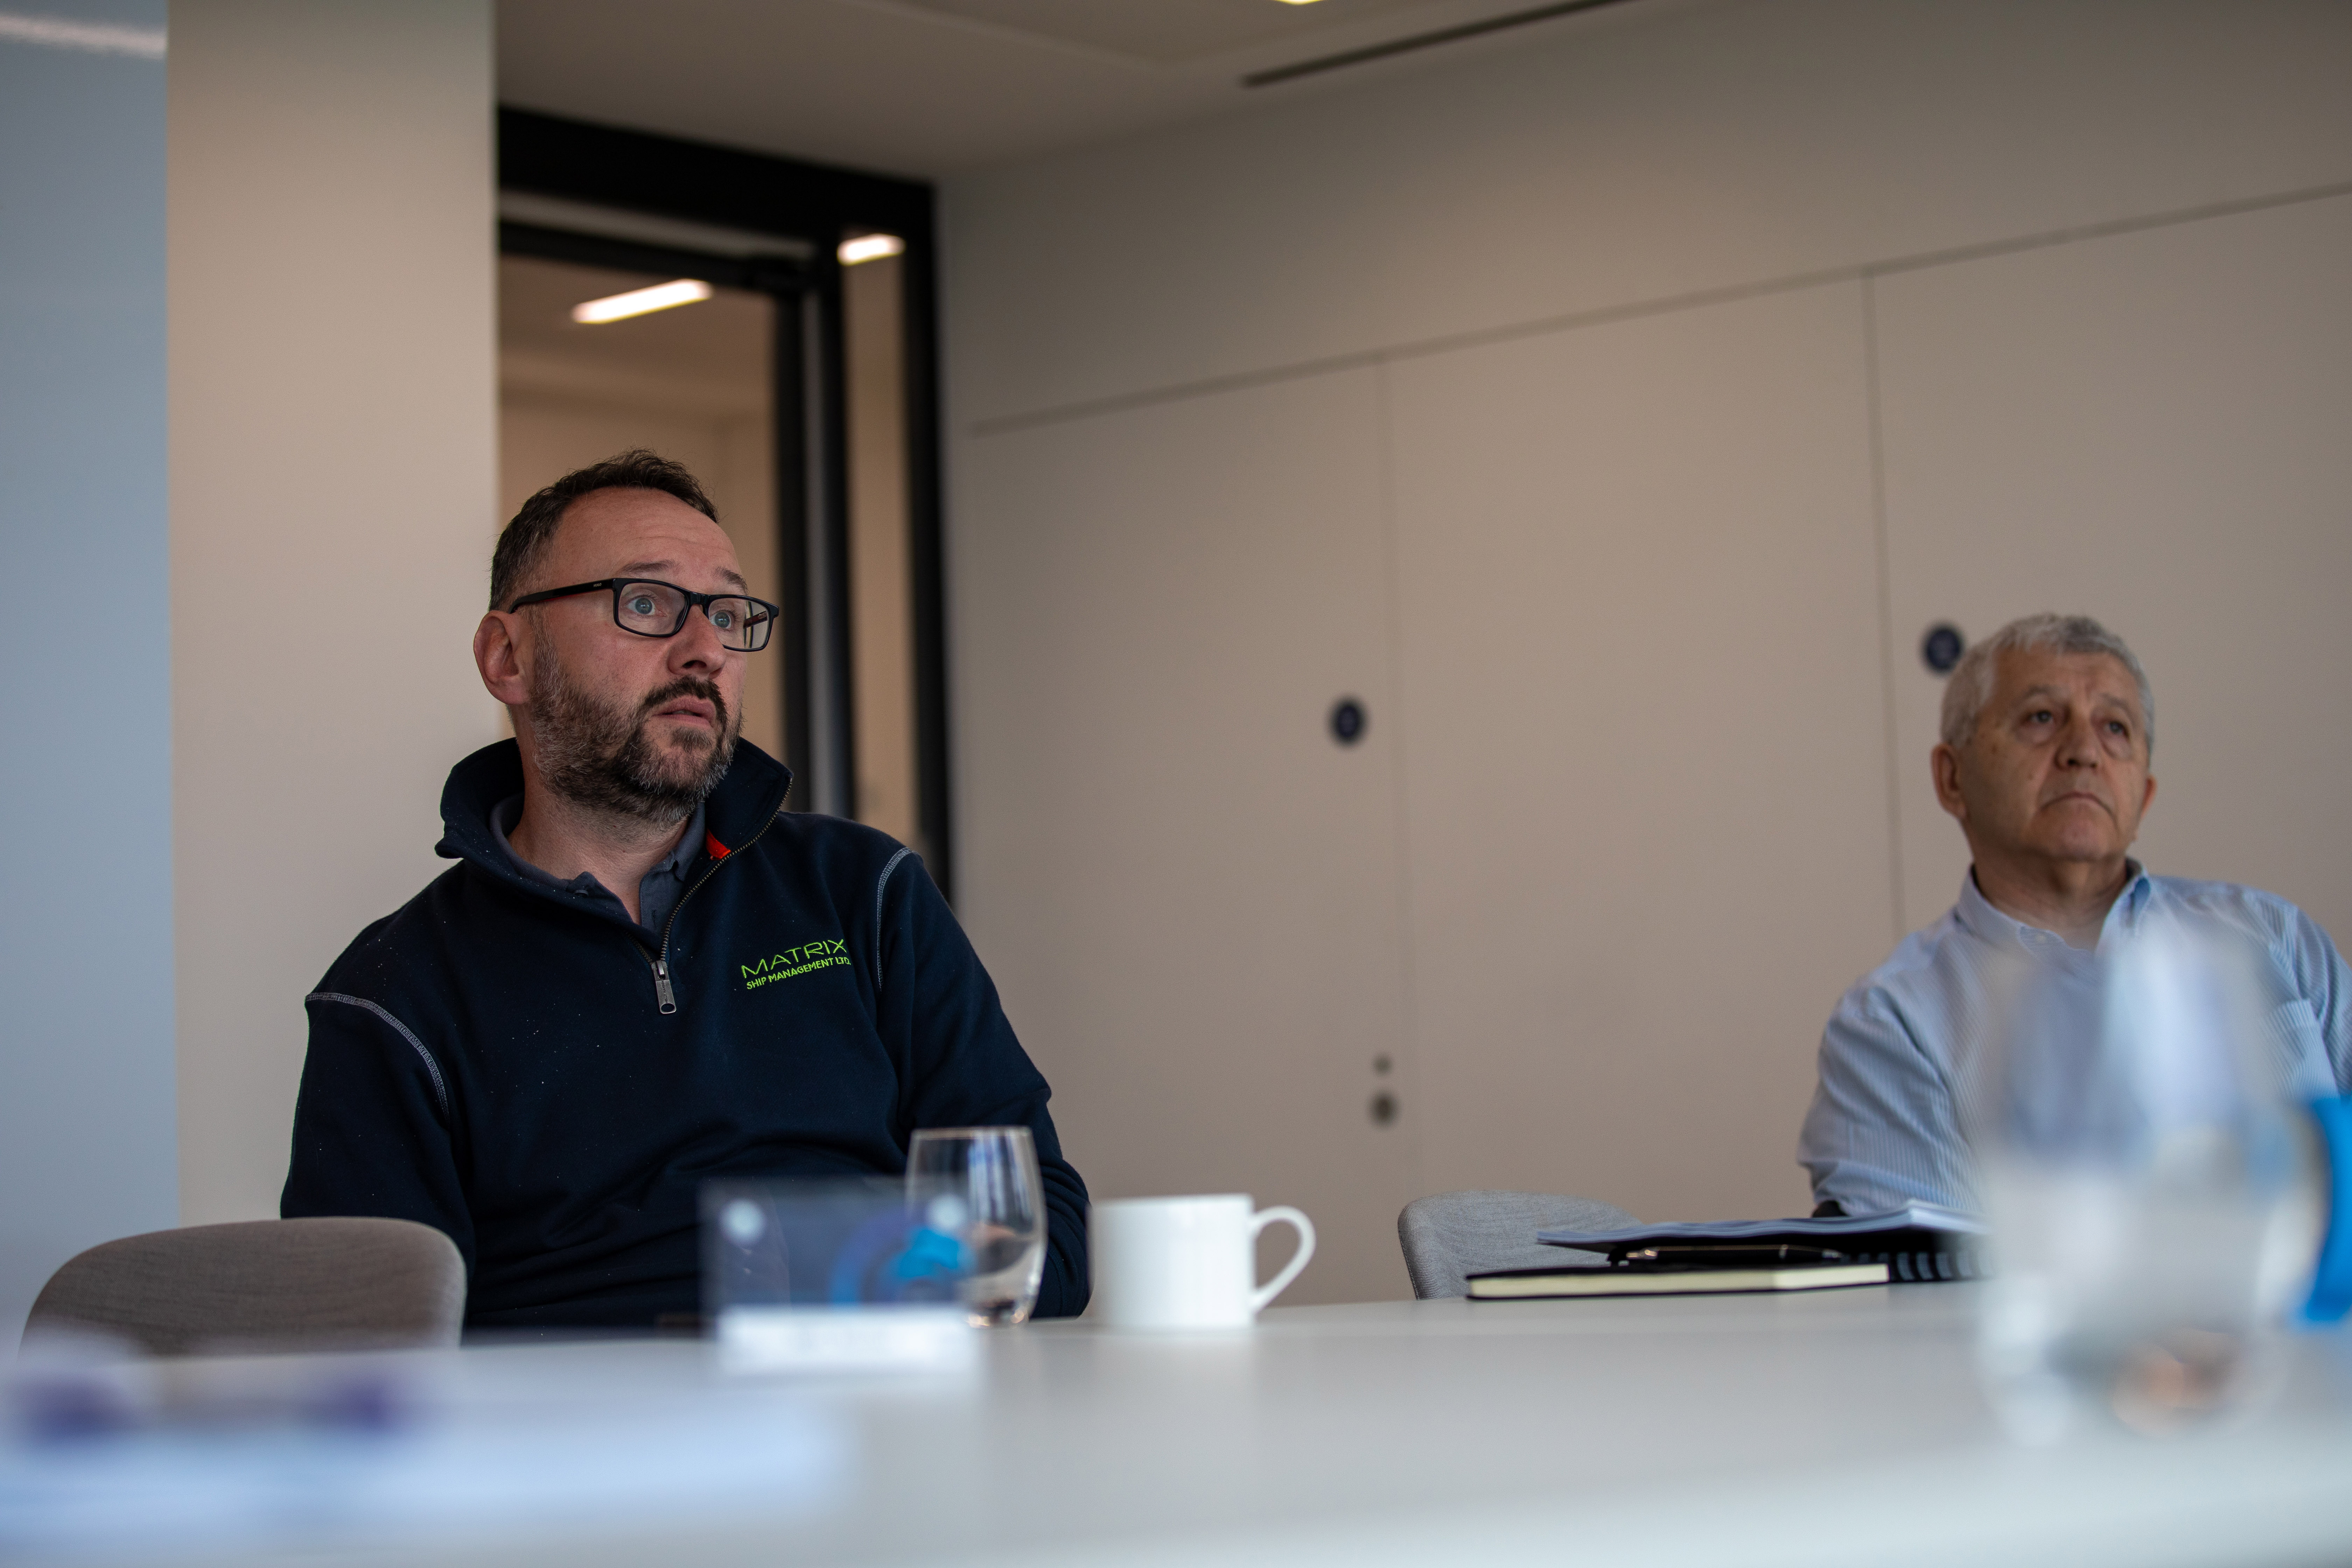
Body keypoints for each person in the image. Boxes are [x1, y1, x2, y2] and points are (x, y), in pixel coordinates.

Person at [282, 450, 1088, 1330]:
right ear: (509, 656)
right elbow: (365, 1336)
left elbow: (1042, 1234)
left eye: (729, 614)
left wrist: (777, 1291)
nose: (706, 649)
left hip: (882, 1396)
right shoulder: (391, 995)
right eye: (646, 602)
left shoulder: (865, 893)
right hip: (581, 1417)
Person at [1798, 612, 2352, 1216]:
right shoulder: (1891, 1025)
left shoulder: (2275, 939)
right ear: (1952, 779)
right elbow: (1937, 1269)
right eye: (2041, 718)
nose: (2085, 752)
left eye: (2115, 728)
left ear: (2142, 796)